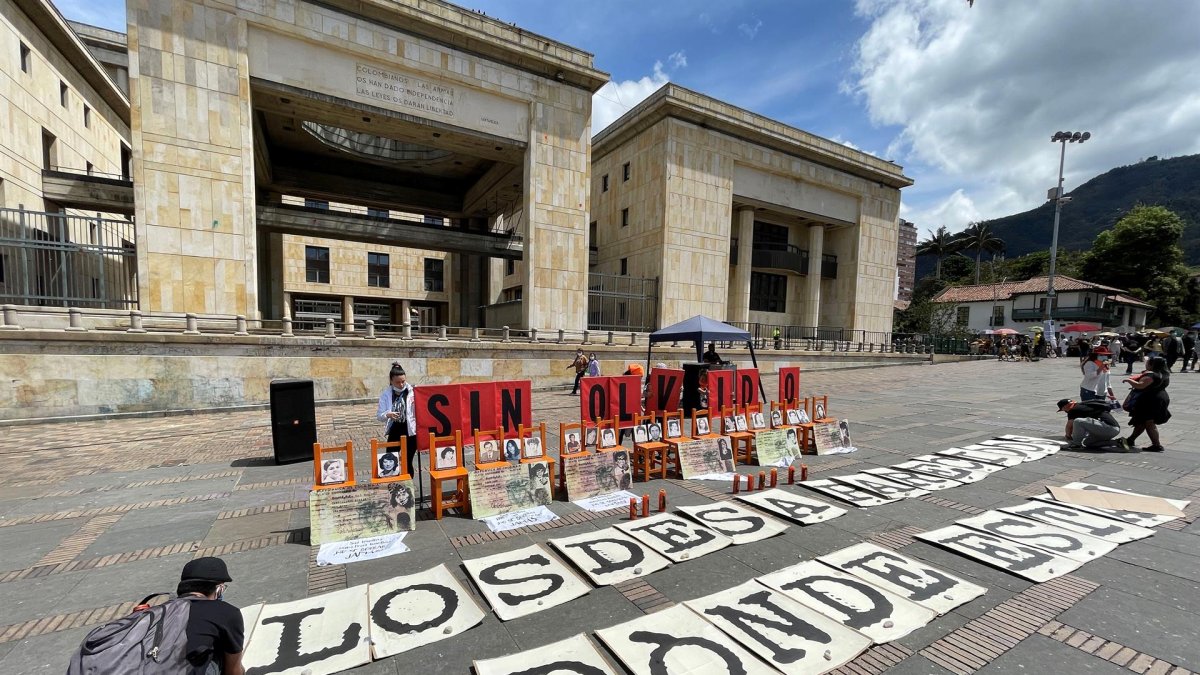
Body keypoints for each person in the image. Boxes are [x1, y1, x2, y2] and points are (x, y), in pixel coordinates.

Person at [177, 557, 245, 675]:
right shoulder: (226, 612)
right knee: (218, 650)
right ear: (219, 589)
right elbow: (233, 671)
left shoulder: (157, 612)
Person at [1121, 356, 1171, 452]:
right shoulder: (1165, 374)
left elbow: (1140, 386)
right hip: (1161, 397)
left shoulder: (1151, 375)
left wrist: (1129, 380)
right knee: (1142, 421)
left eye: (1148, 363)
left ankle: (1157, 445)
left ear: (1152, 365)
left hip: (1150, 400)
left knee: (1149, 422)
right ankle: (1131, 439)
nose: (1146, 364)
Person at [376, 363, 418, 473]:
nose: (401, 384)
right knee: (390, 458)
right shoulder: (386, 394)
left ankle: (409, 483)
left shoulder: (413, 391)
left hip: (410, 431)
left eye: (403, 381)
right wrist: (387, 414)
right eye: (398, 382)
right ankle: (393, 481)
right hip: (395, 430)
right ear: (391, 381)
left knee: (408, 461)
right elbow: (379, 416)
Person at [1057, 398, 1122, 450]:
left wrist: (1068, 436)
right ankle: (1117, 442)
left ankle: (1076, 444)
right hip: (1113, 429)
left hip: (1108, 428)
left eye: (1064, 410)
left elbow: (1069, 426)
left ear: (1065, 406)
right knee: (1087, 443)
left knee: (1078, 421)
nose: (1065, 411)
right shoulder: (1085, 404)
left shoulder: (1073, 410)